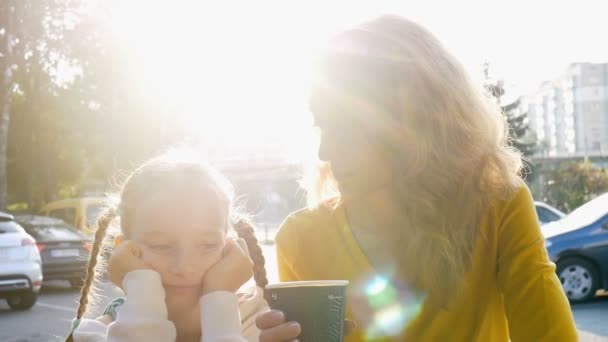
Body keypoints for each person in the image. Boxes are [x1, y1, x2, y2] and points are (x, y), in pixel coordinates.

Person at [256, 15, 578, 341]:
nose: (324, 151)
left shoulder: (497, 203)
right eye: (321, 126)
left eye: (345, 128)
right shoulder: (300, 238)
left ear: (415, 123)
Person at [66, 151, 269, 342]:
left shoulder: (263, 325)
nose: (184, 267)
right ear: (123, 251)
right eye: (161, 246)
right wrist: (143, 291)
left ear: (230, 249)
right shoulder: (93, 336)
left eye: (207, 245)